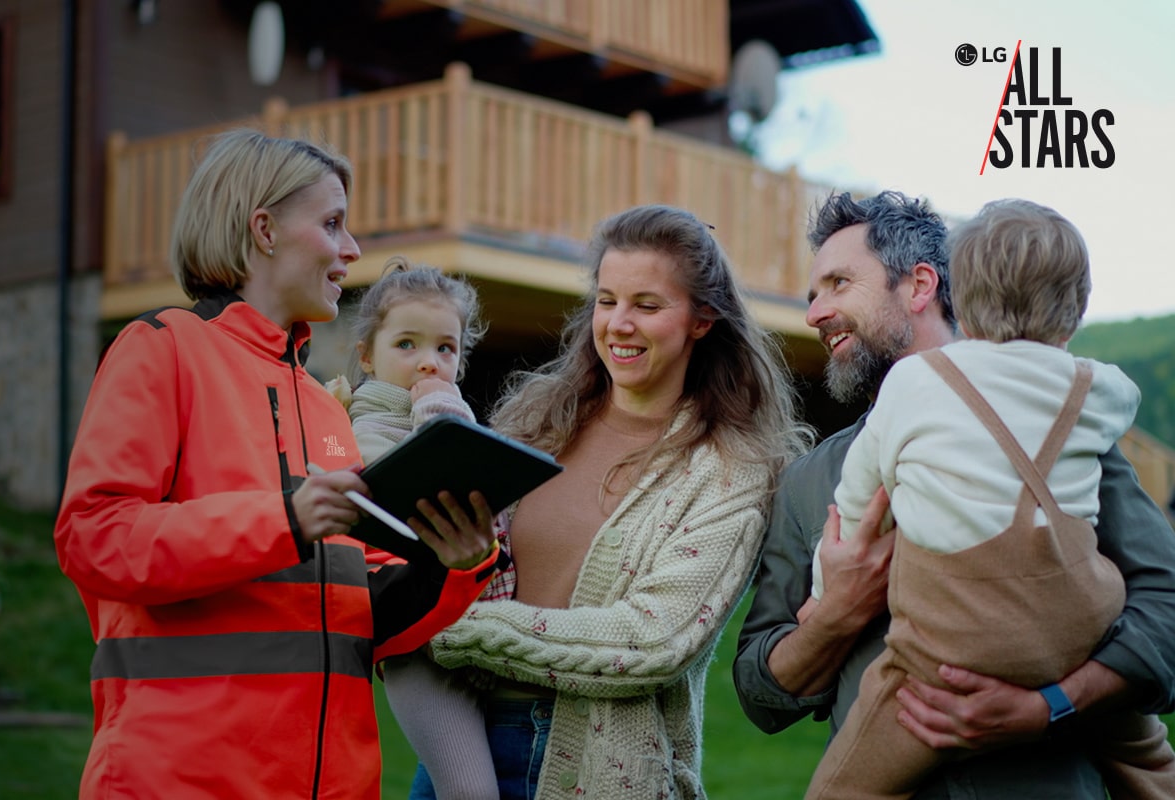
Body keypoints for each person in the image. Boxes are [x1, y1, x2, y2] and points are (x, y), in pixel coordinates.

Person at [54, 129, 503, 799]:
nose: (352, 250)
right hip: (178, 783)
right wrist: (284, 521)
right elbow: (94, 537)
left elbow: (366, 621)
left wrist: (453, 566)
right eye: (332, 224)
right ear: (263, 229)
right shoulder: (160, 348)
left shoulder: (325, 407)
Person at [733, 190, 1175, 799]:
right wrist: (837, 613)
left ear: (919, 286)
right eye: (813, 295)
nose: (815, 314)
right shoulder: (810, 480)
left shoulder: (1059, 431)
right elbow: (759, 694)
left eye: (838, 284)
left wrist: (1051, 705)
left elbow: (1165, 609)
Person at [415, 204, 811, 799]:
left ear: (702, 319)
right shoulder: (537, 421)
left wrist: (449, 628)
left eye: (647, 306)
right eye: (607, 301)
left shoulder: (733, 470)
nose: (619, 324)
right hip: (456, 737)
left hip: (596, 764)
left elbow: (652, 641)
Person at [329, 255, 508, 800]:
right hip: (420, 650)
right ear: (367, 355)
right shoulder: (364, 427)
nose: (429, 363)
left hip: (478, 632)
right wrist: (439, 409)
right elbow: (441, 484)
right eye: (407, 344)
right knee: (471, 792)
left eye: (445, 349)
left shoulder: (436, 412)